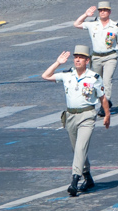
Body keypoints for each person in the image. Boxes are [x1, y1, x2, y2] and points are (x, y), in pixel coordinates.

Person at [41, 46, 109, 197]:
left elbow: (102, 97)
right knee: (77, 149)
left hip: (87, 115)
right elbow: (45, 76)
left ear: (87, 61)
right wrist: (58, 63)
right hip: (71, 116)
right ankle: (88, 177)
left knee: (80, 148)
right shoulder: (67, 75)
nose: (77, 60)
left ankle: (74, 180)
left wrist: (107, 115)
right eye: (76, 57)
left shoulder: (94, 78)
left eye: (81, 58)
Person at [74, 2, 118, 113]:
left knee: (107, 81)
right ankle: (103, 101)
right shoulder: (93, 24)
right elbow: (76, 24)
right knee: (96, 81)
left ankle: (104, 105)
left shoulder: (116, 26)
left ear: (109, 12)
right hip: (96, 57)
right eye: (100, 10)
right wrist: (86, 15)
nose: (102, 12)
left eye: (105, 10)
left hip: (110, 57)